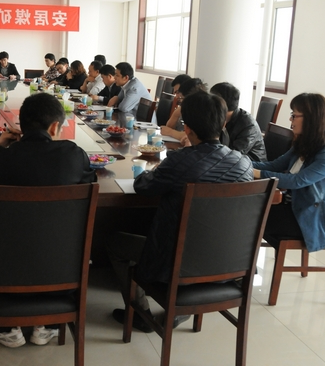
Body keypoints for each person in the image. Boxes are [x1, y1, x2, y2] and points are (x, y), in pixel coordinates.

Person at [107, 91, 253, 332]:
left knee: (115, 242)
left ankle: (140, 314)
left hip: (177, 261)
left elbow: (143, 186)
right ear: (223, 124)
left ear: (187, 129)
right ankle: (182, 311)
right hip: (230, 261)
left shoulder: (180, 161)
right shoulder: (243, 163)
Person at [0, 92, 96, 348]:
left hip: (5, 270)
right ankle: (47, 324)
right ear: (54, 127)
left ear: (21, 126)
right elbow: (89, 182)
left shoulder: (0, 158)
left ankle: (7, 326)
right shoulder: (73, 155)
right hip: (60, 268)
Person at [253, 93, 325, 252]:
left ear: (311, 118)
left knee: (248, 216)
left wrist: (256, 173)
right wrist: (240, 163)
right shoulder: (305, 143)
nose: (290, 119)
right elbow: (274, 165)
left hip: (311, 220)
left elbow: (297, 181)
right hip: (294, 208)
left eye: (294, 115)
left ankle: (239, 265)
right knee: (247, 211)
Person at [210, 82, 267, 162]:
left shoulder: (248, 125)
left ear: (222, 103)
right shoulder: (218, 117)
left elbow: (235, 155)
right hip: (229, 162)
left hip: (252, 165)